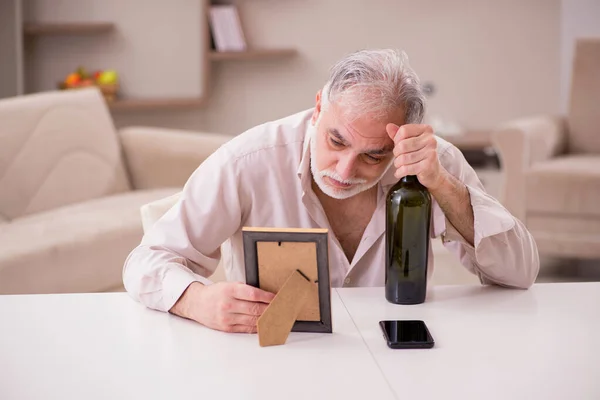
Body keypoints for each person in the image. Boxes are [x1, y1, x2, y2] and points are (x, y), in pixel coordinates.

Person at [123, 49, 540, 333]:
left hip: (393, 356)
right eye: (337, 142)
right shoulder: (247, 161)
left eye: (374, 157)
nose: (344, 171)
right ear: (319, 106)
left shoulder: (428, 163)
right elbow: (145, 261)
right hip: (275, 357)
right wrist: (198, 302)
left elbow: (520, 272)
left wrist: (445, 187)